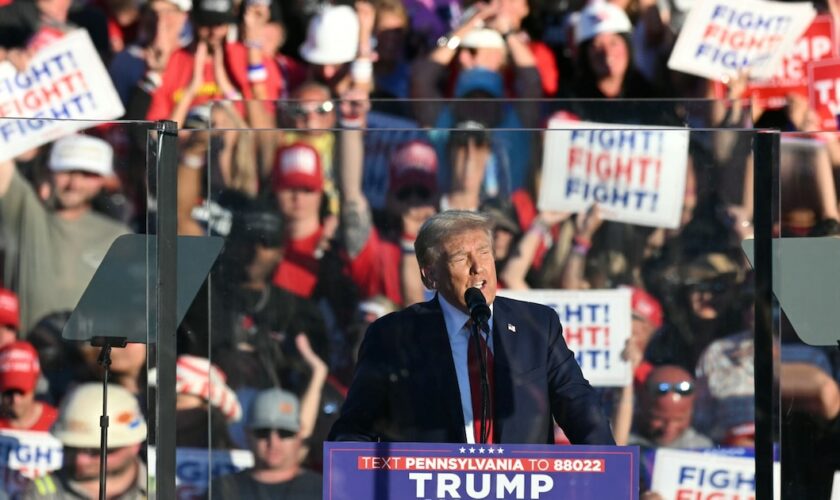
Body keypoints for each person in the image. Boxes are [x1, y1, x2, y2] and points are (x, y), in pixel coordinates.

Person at [328, 210, 614, 444]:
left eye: (484, 253)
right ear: (430, 276)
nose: (478, 267)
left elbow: (581, 409)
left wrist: (611, 476)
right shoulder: (393, 337)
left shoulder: (537, 326)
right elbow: (355, 431)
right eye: (460, 258)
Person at [0, 134, 131, 332]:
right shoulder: (26, 213)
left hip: (89, 359)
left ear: (104, 180)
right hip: (26, 358)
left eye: (87, 174)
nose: (74, 184)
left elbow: (128, 311)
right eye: (66, 172)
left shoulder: (119, 236)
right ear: (48, 172)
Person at [24, 383, 148, 499]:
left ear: (134, 444)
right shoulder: (40, 495)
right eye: (70, 448)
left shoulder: (163, 489)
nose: (80, 460)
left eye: (95, 451)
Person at [210, 388, 322, 499]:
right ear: (248, 434)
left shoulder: (325, 492)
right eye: (262, 432)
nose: (273, 442)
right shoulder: (221, 491)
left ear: (299, 435)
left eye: (284, 433)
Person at [627, 365, 712, 448]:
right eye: (659, 419)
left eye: (679, 419)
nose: (669, 428)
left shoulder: (700, 450)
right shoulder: (621, 439)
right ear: (641, 408)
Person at [0, 341, 57, 431]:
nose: (15, 400)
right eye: (9, 392)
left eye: (21, 392)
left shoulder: (56, 423)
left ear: (35, 385)